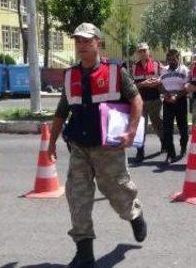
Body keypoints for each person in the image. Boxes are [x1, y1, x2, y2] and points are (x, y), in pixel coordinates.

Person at [48, 23, 147, 268]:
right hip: (79, 146)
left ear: (97, 43)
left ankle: (134, 214)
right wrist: (51, 144)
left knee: (117, 193)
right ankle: (84, 252)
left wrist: (131, 131)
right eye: (78, 41)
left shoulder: (115, 71)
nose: (81, 45)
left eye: (87, 41)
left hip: (108, 147)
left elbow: (137, 100)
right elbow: (62, 111)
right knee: (77, 197)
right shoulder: (70, 75)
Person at [131, 42, 163, 164]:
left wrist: (157, 82)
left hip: (155, 100)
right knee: (140, 127)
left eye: (145, 50)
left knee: (157, 124)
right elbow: (131, 85)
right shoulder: (134, 66)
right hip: (140, 101)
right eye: (140, 51)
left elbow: (163, 79)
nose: (143, 53)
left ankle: (164, 143)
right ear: (138, 53)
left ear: (149, 51)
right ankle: (140, 151)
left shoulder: (156, 65)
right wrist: (143, 84)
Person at [159, 49, 190, 164]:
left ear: (178, 58)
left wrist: (176, 96)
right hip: (167, 102)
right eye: (169, 59)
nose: (171, 61)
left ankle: (183, 147)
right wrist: (165, 95)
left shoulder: (184, 70)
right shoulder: (163, 71)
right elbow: (160, 85)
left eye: (174, 59)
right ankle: (170, 154)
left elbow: (187, 87)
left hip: (180, 101)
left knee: (183, 128)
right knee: (167, 129)